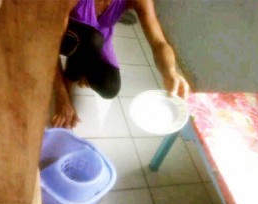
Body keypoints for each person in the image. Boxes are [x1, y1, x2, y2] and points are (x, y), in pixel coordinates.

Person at [52, 0, 190, 128]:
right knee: (92, 40)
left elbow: (159, 43)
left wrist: (170, 71)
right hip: (67, 34)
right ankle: (70, 78)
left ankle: (82, 62)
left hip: (99, 39)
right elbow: (49, 45)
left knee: (110, 87)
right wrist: (62, 96)